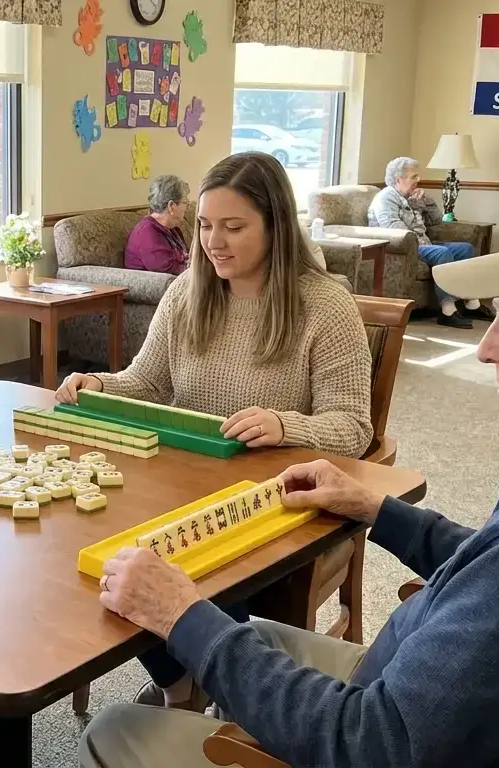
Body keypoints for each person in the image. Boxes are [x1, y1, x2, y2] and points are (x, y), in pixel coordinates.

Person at [79, 189, 499, 768]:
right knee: (254, 633)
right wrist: (379, 509)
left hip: (381, 721)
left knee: (118, 728)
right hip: (429, 684)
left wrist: (182, 615)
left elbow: (373, 744)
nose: (486, 348)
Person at [57, 151, 373, 711]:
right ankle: (182, 679)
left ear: (276, 226)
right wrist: (99, 384)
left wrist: (285, 424)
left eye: (233, 227)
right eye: (204, 225)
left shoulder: (326, 306)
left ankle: (194, 676)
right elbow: (147, 381)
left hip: (273, 508)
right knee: (100, 543)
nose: (213, 242)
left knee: (176, 565)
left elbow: (353, 427)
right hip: (182, 486)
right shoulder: (187, 290)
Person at [369, 157, 488, 328]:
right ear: (398, 179)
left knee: (466, 249)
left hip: (423, 243)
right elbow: (393, 228)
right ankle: (447, 310)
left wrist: (427, 201)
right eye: (413, 176)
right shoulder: (386, 198)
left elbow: (437, 221)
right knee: (442, 253)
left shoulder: (411, 196)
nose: (418, 180)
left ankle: (471, 304)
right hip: (402, 248)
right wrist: (416, 216)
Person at [126, 174, 191, 274]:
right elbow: (170, 271)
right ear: (171, 206)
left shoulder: (173, 229)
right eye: (185, 202)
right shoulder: (147, 232)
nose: (187, 207)